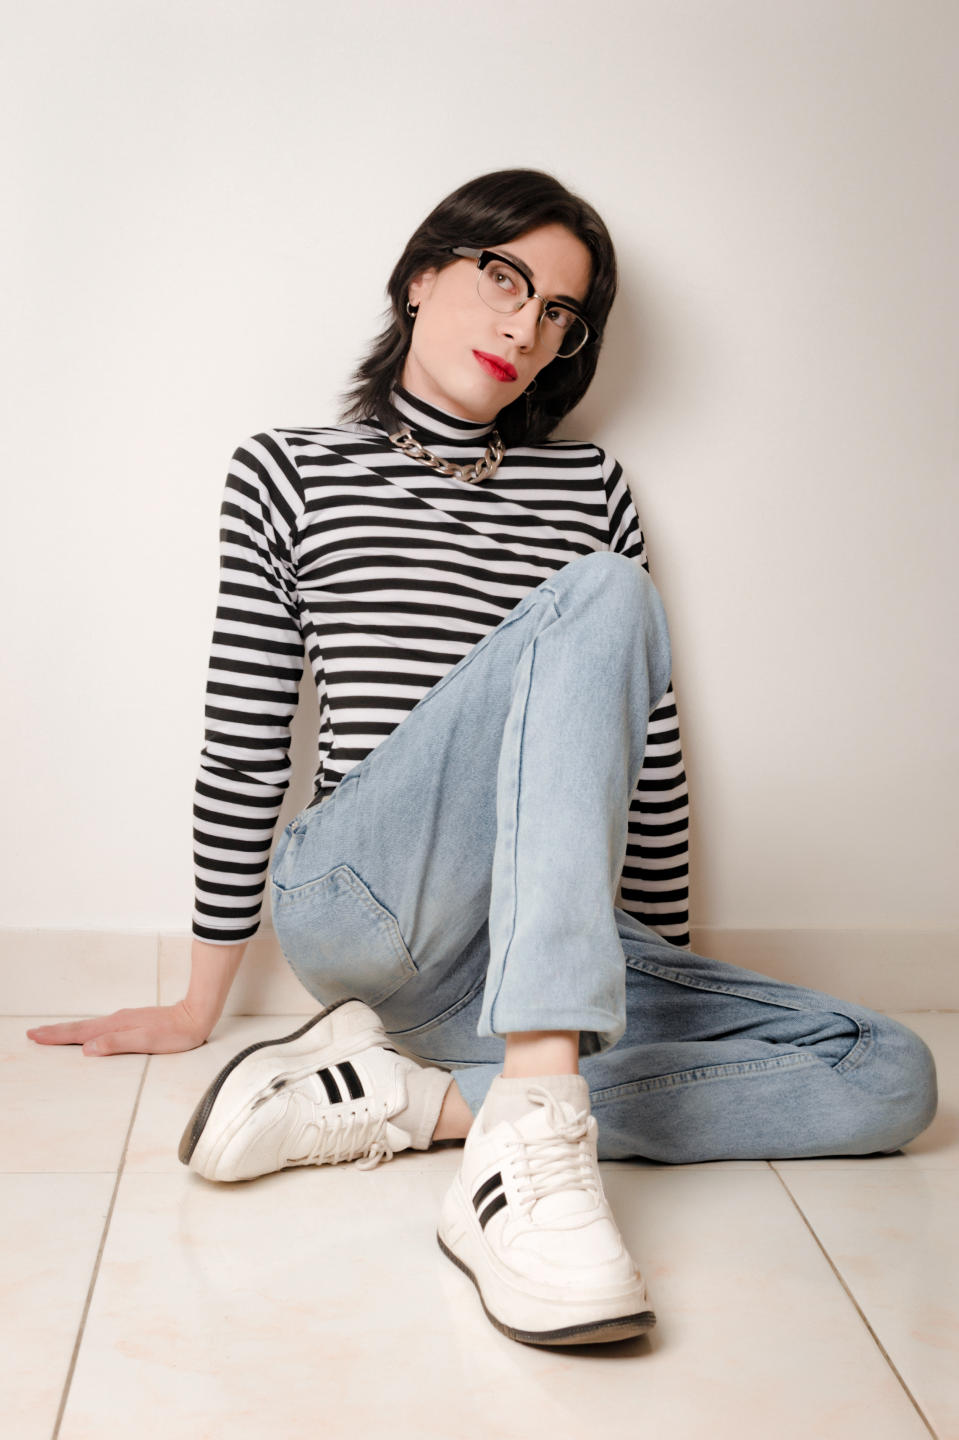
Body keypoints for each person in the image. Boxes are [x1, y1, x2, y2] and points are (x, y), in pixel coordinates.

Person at [29, 169, 938, 1348]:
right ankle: (532, 1144)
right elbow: (247, 743)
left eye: (560, 312)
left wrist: (645, 968)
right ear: (421, 277)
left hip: (525, 952)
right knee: (602, 597)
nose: (525, 327)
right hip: (370, 904)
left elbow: (648, 758)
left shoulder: (589, 485)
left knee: (888, 1074)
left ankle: (424, 1105)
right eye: (503, 279)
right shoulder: (288, 470)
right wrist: (199, 1001)